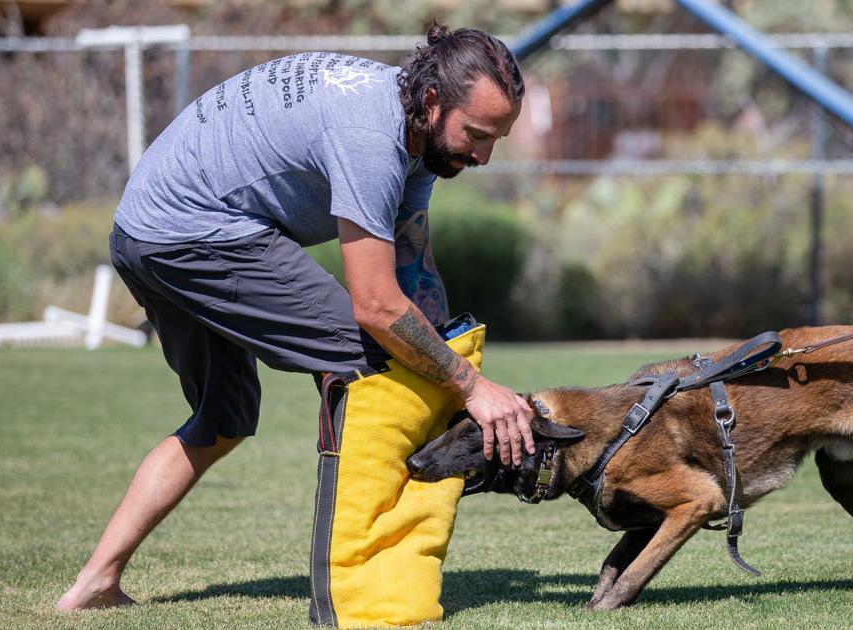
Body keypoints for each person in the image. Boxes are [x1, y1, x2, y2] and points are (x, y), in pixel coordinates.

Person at [57, 24, 535, 611]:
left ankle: (94, 584)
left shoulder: (416, 131)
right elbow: (378, 306)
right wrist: (470, 385)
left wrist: (452, 358)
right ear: (434, 101)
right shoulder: (371, 135)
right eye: (477, 135)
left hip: (145, 231)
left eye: (496, 140)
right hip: (192, 231)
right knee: (373, 358)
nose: (483, 156)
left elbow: (412, 261)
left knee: (224, 419)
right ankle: (354, 582)